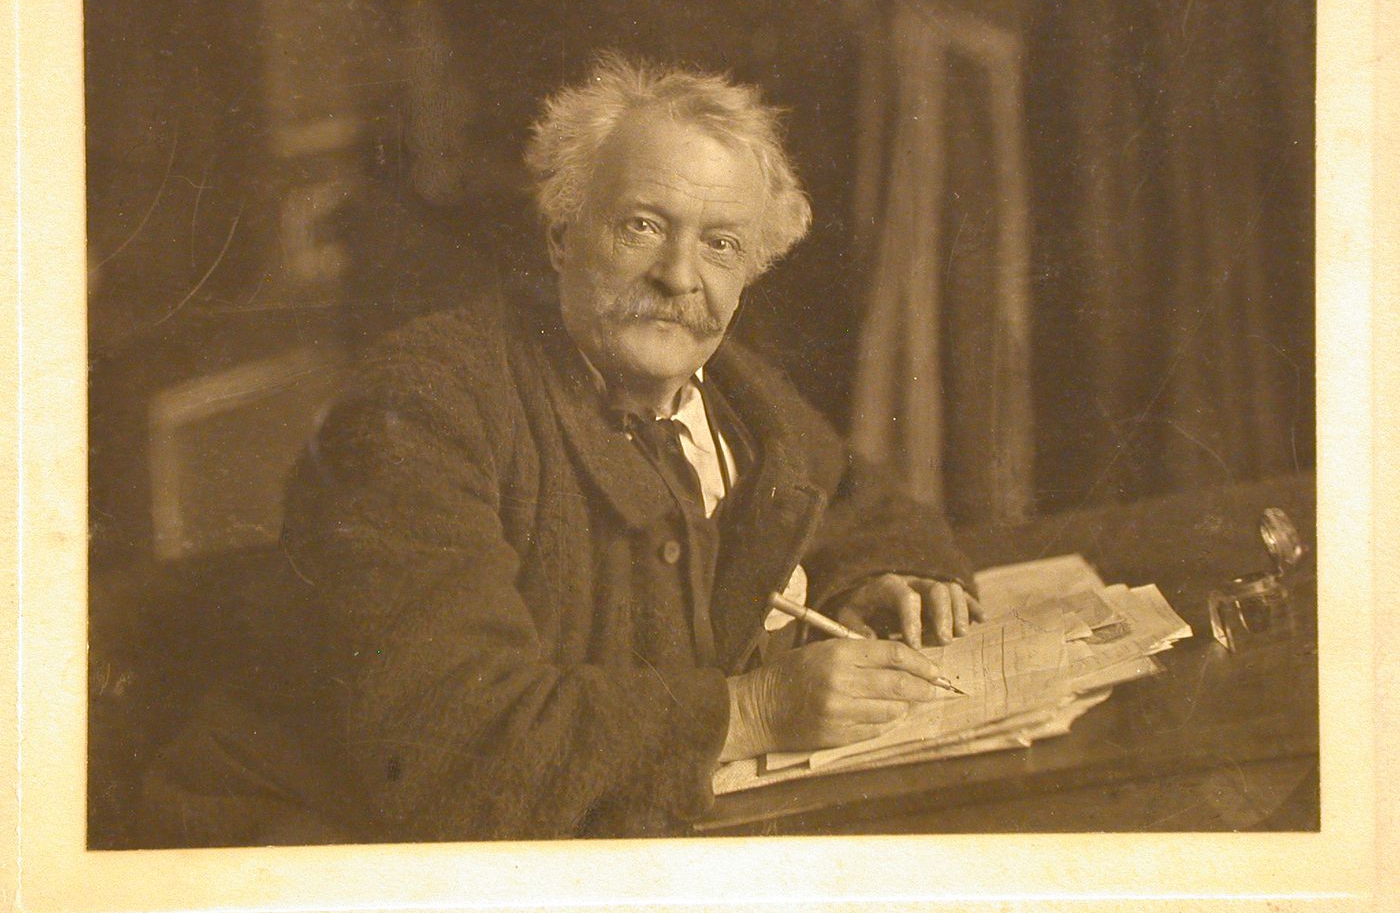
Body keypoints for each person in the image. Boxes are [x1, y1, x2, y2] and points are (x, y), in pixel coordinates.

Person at [143, 53, 979, 845]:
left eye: (721, 244)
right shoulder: (424, 406)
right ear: (560, 236)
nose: (680, 277)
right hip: (322, 853)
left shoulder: (735, 394)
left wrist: (878, 580)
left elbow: (859, 507)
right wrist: (753, 710)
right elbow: (445, 749)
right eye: (643, 227)